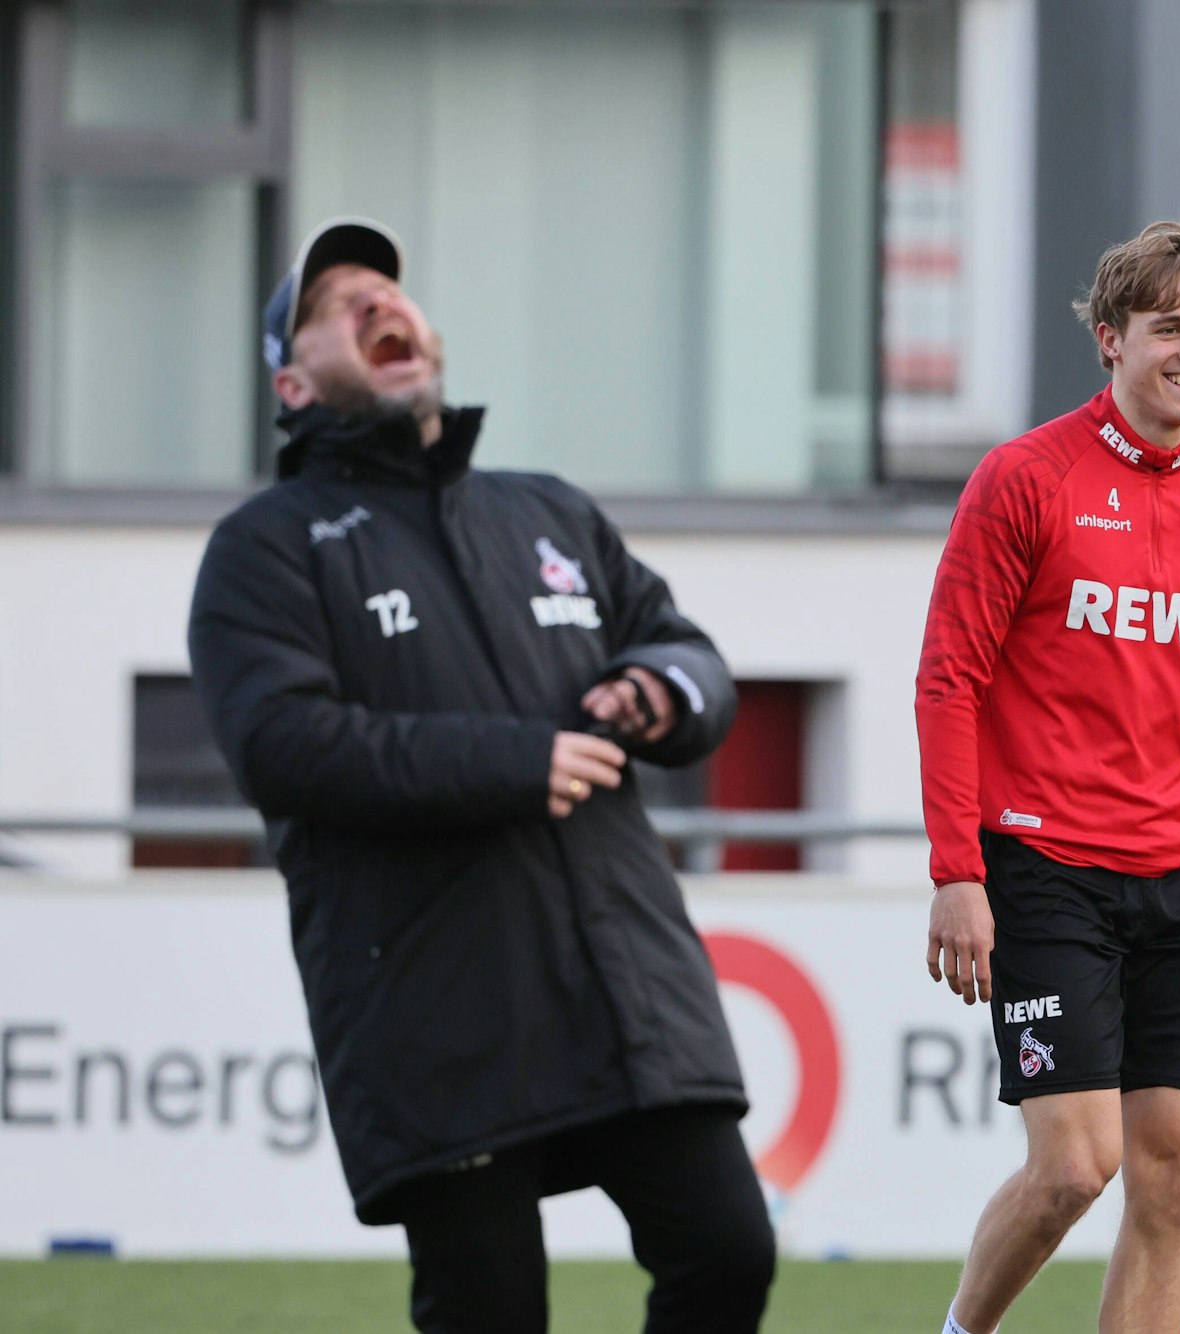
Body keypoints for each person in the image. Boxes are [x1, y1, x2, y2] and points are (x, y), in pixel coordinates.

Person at [187, 217, 775, 1333]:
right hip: (434, 1010)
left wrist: (659, 690)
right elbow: (281, 742)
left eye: (386, 293)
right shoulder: (265, 546)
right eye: (334, 307)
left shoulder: (544, 508)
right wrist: (518, 759)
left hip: (622, 984)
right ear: (292, 384)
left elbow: (689, 652)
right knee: (490, 1312)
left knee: (726, 1252)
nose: (375, 307)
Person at [915, 221, 1180, 1334]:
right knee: (1072, 1165)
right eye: (1170, 327)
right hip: (1042, 866)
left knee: (1175, 1167)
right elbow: (948, 679)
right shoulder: (1023, 479)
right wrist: (958, 869)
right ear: (1109, 338)